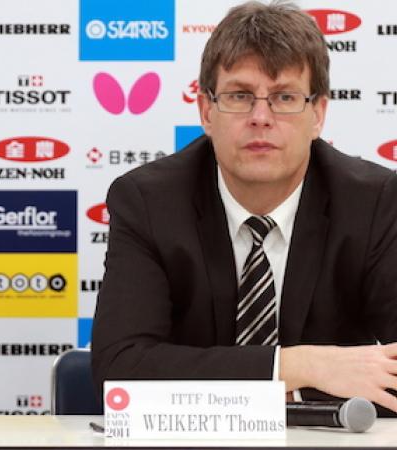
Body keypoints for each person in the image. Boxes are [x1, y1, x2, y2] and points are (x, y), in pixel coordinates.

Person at [92, 1, 397, 414]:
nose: (260, 117)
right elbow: (119, 368)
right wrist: (296, 365)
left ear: (318, 114)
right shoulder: (148, 201)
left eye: (284, 97)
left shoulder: (374, 202)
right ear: (206, 111)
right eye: (239, 96)